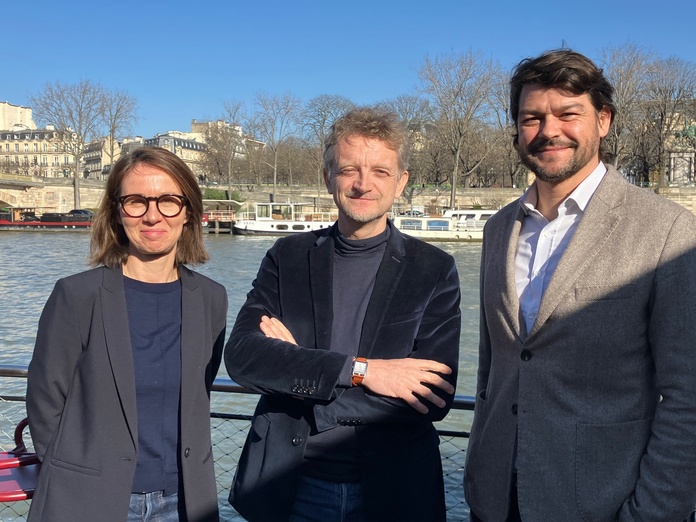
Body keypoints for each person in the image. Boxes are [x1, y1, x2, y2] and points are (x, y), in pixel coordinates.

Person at [464, 49, 696, 521]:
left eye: (568, 114)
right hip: (493, 499)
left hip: (602, 502)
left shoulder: (669, 232)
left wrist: (651, 512)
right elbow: (493, 370)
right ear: (517, 132)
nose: (550, 130)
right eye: (532, 117)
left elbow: (687, 396)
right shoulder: (498, 229)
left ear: (603, 121)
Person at [225, 107, 461, 522]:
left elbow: (433, 395)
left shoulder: (434, 268)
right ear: (327, 178)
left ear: (402, 182)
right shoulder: (287, 257)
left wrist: (299, 376)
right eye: (348, 169)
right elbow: (244, 358)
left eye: (380, 172)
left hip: (393, 490)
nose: (363, 184)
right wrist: (364, 371)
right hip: (288, 485)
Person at [26, 146, 227, 521]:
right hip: (91, 498)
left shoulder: (211, 299)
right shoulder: (77, 295)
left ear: (188, 212)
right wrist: (72, 473)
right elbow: (44, 399)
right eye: (136, 201)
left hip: (184, 500)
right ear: (118, 212)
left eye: (168, 200)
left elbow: (201, 386)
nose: (152, 215)